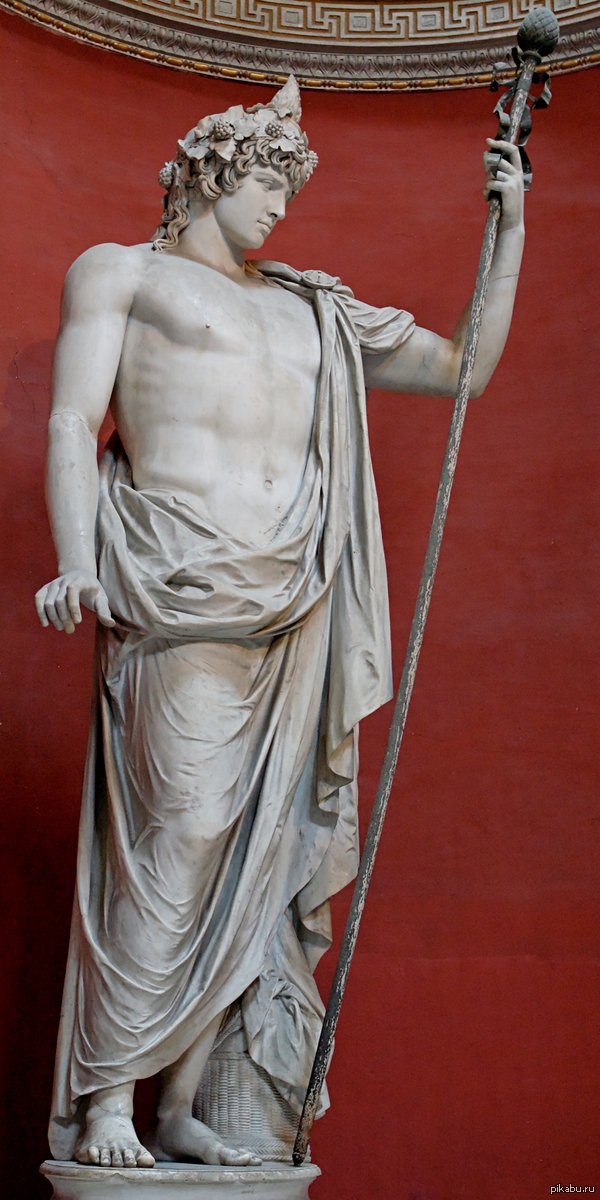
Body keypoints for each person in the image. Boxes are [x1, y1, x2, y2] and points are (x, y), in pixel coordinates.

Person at [35, 76, 525, 1170]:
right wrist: (75, 560)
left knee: (257, 867)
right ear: (210, 173)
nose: (278, 210)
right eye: (264, 181)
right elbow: (75, 415)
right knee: (183, 836)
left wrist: (512, 223)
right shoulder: (122, 274)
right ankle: (110, 1099)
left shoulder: (312, 307)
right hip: (179, 593)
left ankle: (174, 1110)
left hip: (293, 605)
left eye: (287, 190)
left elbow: (464, 372)